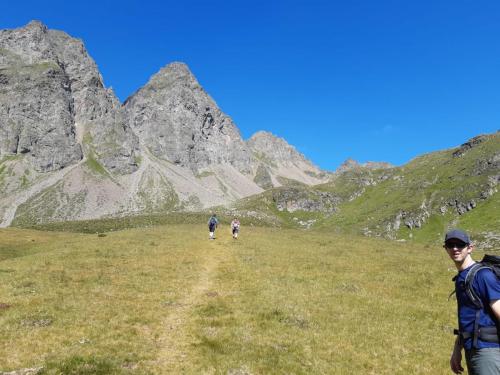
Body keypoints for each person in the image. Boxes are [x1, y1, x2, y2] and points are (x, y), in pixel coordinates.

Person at [444, 229, 500, 374]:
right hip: (473, 349)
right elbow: (468, 319)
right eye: (450, 244)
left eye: (460, 244)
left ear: (470, 248)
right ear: (446, 249)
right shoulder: (462, 278)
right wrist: (457, 350)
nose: (455, 248)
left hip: (488, 351)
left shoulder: (483, 275)